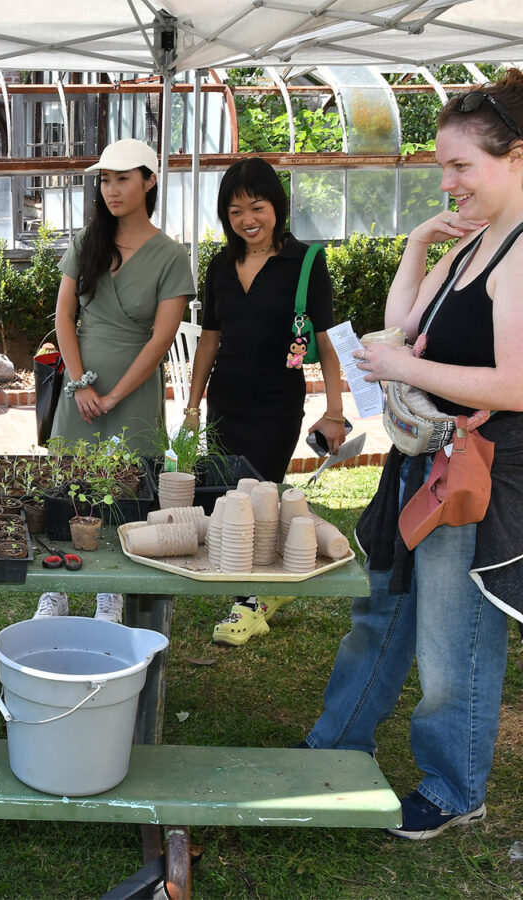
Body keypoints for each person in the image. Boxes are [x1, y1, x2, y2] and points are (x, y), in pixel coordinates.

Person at [304, 70, 523, 841]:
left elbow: (517, 382)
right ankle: (335, 746)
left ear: (517, 158)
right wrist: (421, 241)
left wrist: (406, 368)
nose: (448, 183)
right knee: (382, 613)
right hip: (423, 463)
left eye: (462, 166)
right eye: (442, 167)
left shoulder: (519, 252)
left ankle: (455, 789)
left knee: (451, 640)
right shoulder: (474, 245)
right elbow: (400, 326)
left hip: (471, 477)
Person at [184, 158, 347, 646]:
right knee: (225, 496)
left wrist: (334, 412)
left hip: (277, 404)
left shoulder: (306, 261)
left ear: (276, 205)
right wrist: (192, 407)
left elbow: (327, 341)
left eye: (256, 206)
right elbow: (209, 340)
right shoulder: (219, 264)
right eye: (235, 211)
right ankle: (245, 582)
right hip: (226, 401)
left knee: (261, 496)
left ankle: (252, 600)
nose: (247, 219)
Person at [35, 138, 195, 623]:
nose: (112, 189)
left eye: (123, 178)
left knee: (126, 493)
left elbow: (160, 340)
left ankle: (112, 590)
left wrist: (113, 396)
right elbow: (64, 317)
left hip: (134, 391)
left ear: (149, 181)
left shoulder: (171, 256)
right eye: (105, 180)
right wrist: (81, 384)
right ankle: (57, 586)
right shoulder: (88, 242)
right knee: (66, 486)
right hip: (79, 388)